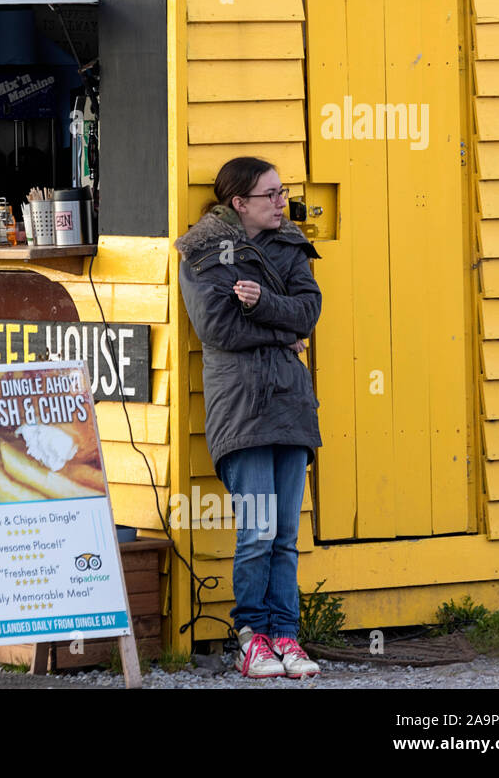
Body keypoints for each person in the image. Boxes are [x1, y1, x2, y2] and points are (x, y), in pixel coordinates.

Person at [174, 156, 323, 679]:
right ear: (240, 203)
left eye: (283, 192)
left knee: (284, 533)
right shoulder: (202, 252)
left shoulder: (289, 244)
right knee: (256, 532)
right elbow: (220, 331)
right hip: (242, 409)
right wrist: (284, 331)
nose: (283, 203)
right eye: (271, 195)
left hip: (292, 406)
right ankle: (251, 640)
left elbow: (309, 310)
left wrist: (264, 305)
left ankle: (287, 637)